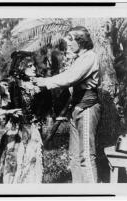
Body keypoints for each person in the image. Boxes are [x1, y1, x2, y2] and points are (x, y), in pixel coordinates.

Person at [33, 26, 101, 183]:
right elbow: (69, 81)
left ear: (81, 41)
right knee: (74, 156)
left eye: (71, 40)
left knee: (86, 157)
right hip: (77, 109)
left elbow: (70, 78)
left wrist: (45, 81)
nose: (68, 44)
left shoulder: (89, 57)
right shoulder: (79, 59)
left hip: (87, 108)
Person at [0, 51, 52, 183]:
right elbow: (5, 94)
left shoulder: (38, 83)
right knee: (13, 159)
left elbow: (46, 104)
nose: (34, 68)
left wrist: (39, 117)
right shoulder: (13, 83)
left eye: (34, 65)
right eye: (30, 65)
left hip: (32, 128)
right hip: (16, 129)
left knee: (31, 159)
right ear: (21, 66)